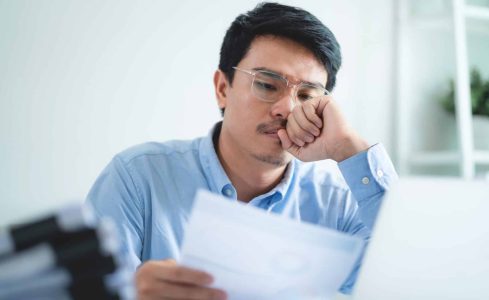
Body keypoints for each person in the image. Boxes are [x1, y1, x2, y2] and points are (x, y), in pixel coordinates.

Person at [86, 2, 397, 300]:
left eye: (307, 95)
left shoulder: (339, 206)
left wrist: (350, 148)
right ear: (223, 88)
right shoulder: (136, 179)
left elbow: (409, 279)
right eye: (266, 85)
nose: (287, 109)